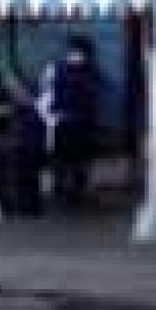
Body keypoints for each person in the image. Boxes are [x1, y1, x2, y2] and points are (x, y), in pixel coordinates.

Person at [45, 36, 102, 211]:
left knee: (71, 160)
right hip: (72, 121)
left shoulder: (63, 70)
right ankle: (69, 191)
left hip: (71, 121)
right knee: (71, 160)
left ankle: (68, 191)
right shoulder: (82, 71)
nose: (74, 55)